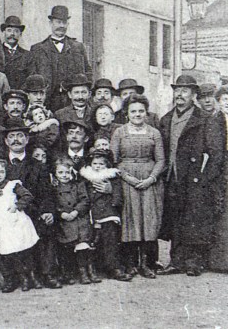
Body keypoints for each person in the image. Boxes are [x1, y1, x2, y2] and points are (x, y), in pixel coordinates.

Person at [158, 76, 224, 276]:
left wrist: (205, 178)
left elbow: (216, 153)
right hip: (172, 176)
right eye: (177, 90)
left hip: (196, 178)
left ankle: (194, 262)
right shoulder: (166, 119)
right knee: (175, 217)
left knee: (195, 219)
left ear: (193, 94)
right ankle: (176, 261)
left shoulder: (204, 119)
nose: (180, 95)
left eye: (185, 91)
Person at [0, 119, 60, 288]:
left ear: (27, 139)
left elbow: (46, 192)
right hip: (5, 212)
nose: (16, 140)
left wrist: (48, 211)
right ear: (6, 141)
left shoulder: (37, 165)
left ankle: (47, 274)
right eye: (11, 136)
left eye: (20, 135)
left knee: (46, 226)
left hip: (32, 210)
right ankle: (15, 277)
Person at [110, 93, 165, 279]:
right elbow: (113, 160)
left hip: (149, 181)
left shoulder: (154, 133)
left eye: (141, 111)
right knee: (130, 220)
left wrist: (151, 178)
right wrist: (128, 178)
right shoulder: (119, 132)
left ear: (146, 112)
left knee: (148, 221)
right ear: (127, 113)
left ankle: (147, 264)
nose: (137, 114)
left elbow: (161, 160)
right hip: (127, 181)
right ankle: (131, 264)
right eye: (133, 111)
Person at [0, 158, 41, 293]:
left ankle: (31, 278)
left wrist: (17, 205)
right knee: (6, 252)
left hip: (16, 222)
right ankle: (12, 280)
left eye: (1, 172)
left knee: (23, 250)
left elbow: (27, 196)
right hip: (0, 225)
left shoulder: (13, 185)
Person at [79, 149, 132, 282]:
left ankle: (114, 267)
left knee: (110, 239)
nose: (97, 166)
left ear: (107, 165)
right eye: (95, 163)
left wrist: (112, 197)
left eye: (101, 164)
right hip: (90, 212)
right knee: (91, 240)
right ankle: (92, 268)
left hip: (108, 212)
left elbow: (118, 195)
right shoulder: (86, 177)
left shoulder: (112, 177)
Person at [31, 6, 92, 112]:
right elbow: (32, 76)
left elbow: (88, 72)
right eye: (58, 22)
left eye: (64, 22)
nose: (61, 26)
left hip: (73, 102)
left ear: (68, 24)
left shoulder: (78, 47)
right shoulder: (37, 49)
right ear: (51, 23)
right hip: (48, 102)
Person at [53, 158, 98, 285]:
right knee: (66, 249)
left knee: (83, 246)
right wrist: (61, 213)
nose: (64, 175)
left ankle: (88, 272)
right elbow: (53, 204)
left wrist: (76, 211)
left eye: (67, 172)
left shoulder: (78, 185)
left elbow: (85, 200)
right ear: (55, 173)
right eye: (60, 172)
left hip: (79, 218)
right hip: (64, 221)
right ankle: (69, 273)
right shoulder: (53, 188)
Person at [209, 85, 228, 270]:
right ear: (219, 102)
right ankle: (221, 261)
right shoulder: (215, 121)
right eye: (224, 100)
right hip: (221, 168)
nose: (227, 103)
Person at [0, 15, 33, 90]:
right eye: (9, 30)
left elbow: (29, 79)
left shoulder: (27, 55)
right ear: (4, 32)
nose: (12, 34)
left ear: (20, 34)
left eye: (16, 31)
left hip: (20, 95)